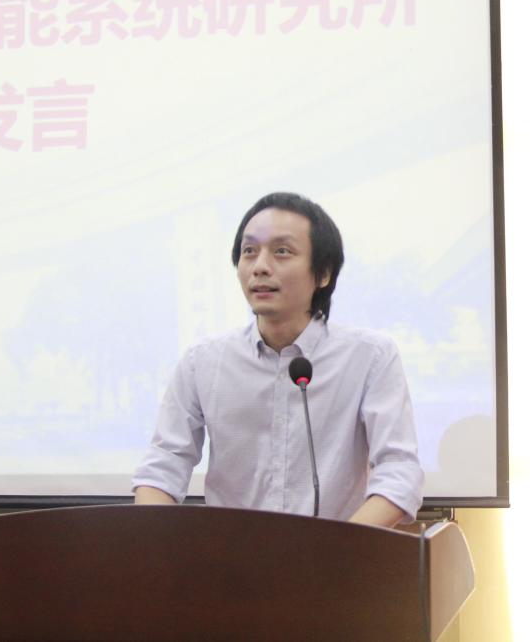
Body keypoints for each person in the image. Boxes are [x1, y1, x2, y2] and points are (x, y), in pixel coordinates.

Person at [132, 192, 423, 527]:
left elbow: (399, 470)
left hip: (338, 554)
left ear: (323, 273)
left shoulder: (370, 356)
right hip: (229, 555)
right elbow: (163, 466)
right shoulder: (203, 362)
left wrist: (342, 546)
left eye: (282, 251)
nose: (260, 267)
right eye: (249, 251)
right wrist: (157, 541)